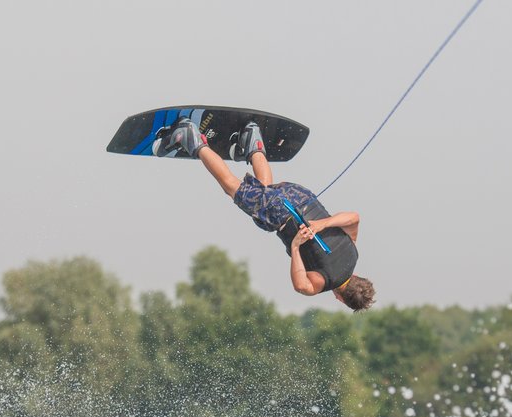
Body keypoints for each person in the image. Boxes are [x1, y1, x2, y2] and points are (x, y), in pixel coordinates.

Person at [152, 117, 375, 312]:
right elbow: (301, 286)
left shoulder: (353, 253)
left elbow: (353, 218)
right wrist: (296, 246)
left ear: (357, 278)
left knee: (264, 187)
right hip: (281, 213)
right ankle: (190, 137)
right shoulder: (324, 281)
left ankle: (252, 139)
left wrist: (323, 223)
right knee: (232, 188)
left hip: (301, 195)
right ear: (342, 299)